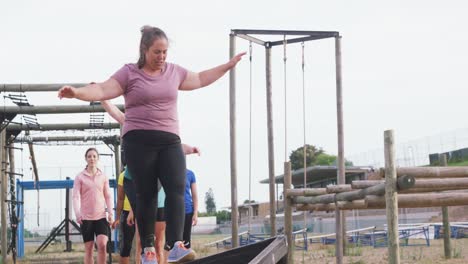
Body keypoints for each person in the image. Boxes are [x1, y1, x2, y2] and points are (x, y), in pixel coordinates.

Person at [58, 25, 245, 264]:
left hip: (169, 140)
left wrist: (227, 65)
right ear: (144, 50)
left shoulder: (174, 72)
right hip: (138, 140)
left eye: (165, 52)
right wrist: (77, 92)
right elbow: (103, 88)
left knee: (177, 188)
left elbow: (199, 78)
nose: (162, 57)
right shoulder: (129, 73)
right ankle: (147, 249)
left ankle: (176, 244)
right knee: (146, 194)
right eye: (157, 52)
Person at [101, 100, 200, 264]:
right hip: (133, 179)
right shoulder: (133, 124)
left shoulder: (161, 130)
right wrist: (104, 100)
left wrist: (189, 149)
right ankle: (148, 251)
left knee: (168, 197)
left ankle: (173, 245)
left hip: (153, 179)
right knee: (143, 205)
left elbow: (176, 146)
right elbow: (117, 114)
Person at [73, 148, 114, 264]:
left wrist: (110, 213)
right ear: (86, 159)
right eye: (89, 156)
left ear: (98, 158)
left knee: (102, 244)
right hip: (86, 218)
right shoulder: (79, 177)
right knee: (89, 249)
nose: (92, 158)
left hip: (101, 216)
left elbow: (108, 196)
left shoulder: (103, 176)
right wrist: (78, 214)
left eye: (94, 156)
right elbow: (75, 197)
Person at [112, 168, 134, 264]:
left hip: (144, 212)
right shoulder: (123, 175)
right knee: (126, 246)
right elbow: (120, 198)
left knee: (146, 246)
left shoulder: (145, 171)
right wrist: (117, 218)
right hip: (126, 212)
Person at [182, 169, 198, 250]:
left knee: (186, 241)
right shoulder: (169, 171)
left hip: (187, 211)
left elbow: (194, 195)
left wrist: (195, 213)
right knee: (173, 242)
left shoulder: (190, 174)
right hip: (173, 212)